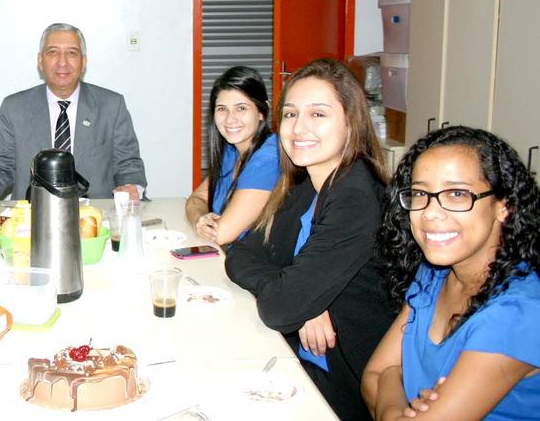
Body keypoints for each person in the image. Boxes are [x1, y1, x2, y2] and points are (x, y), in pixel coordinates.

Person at [225, 58, 394, 421]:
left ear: (351, 122)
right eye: (290, 114)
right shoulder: (305, 183)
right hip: (298, 359)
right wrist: (305, 301)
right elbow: (239, 252)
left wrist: (298, 299)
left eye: (318, 114)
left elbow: (280, 308)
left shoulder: (356, 196)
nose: (299, 128)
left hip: (345, 385)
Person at [362, 126, 540, 421]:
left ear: (503, 207)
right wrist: (398, 401)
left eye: (457, 193)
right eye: (420, 193)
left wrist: (392, 383)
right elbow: (372, 375)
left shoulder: (518, 313)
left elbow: (384, 376)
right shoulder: (435, 274)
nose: (430, 212)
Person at [0, 22, 147, 212]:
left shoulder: (111, 106)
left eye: (72, 53)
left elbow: (128, 164)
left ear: (84, 62)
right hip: (31, 218)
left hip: (96, 218)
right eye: (53, 52)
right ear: (40, 60)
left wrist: (133, 187)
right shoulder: (14, 108)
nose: (62, 62)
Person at [184, 66, 279, 245]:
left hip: (256, 263)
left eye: (241, 108)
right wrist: (200, 220)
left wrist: (206, 224)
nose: (230, 119)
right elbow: (196, 199)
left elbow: (222, 234)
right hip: (227, 254)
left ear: (261, 112)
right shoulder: (231, 150)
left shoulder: (269, 159)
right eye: (222, 109)